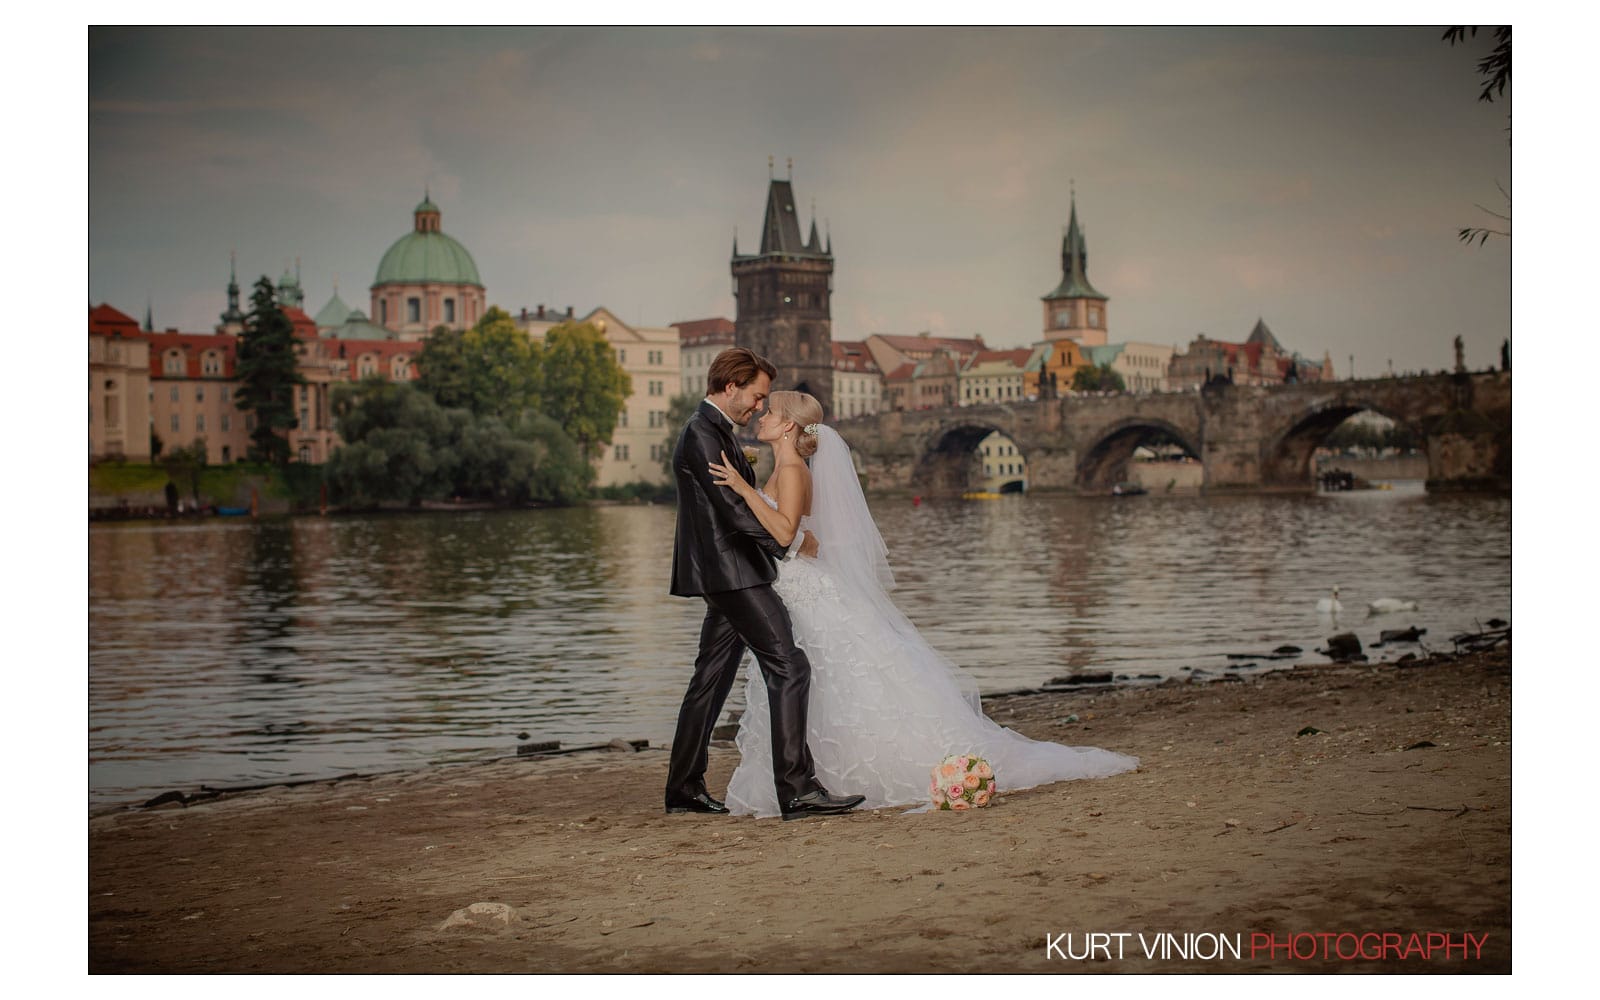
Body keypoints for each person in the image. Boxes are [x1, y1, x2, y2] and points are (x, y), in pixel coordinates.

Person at [708, 391, 1138, 818]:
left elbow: (783, 534)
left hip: (802, 591)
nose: (760, 416)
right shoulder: (785, 468)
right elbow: (795, 535)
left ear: (788, 426)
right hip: (794, 587)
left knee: (833, 676)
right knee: (821, 679)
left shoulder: (793, 470)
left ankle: (826, 775)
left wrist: (745, 489)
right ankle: (806, 776)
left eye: (770, 412)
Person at [666, 348, 866, 821]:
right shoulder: (702, 433)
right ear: (731, 387)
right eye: (755, 397)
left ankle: (683, 788)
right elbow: (732, 511)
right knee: (789, 666)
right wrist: (789, 543)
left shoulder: (715, 432)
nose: (758, 407)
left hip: (732, 571)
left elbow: (741, 502)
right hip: (735, 572)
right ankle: (796, 790)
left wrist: (784, 534)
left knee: (709, 680)